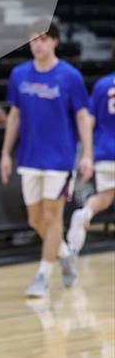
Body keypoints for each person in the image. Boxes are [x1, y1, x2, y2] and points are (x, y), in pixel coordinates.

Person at [0, 18, 93, 297]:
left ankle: (43, 274)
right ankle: (64, 254)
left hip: (60, 159)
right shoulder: (19, 75)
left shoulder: (70, 76)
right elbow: (14, 115)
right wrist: (6, 153)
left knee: (53, 218)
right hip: (29, 157)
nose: (37, 45)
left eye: (43, 39)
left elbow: (82, 116)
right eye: (33, 39)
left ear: (54, 41)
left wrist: (87, 154)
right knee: (34, 219)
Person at [67, 68, 114, 253]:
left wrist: (87, 153)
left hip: (104, 150)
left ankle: (86, 212)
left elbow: (88, 120)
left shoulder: (102, 84)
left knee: (105, 196)